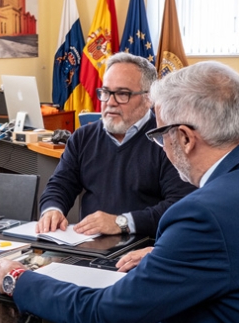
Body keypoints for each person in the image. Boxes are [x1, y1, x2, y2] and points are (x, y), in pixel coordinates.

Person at [0, 61, 239, 323]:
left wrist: (19, 279)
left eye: (160, 136)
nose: (160, 145)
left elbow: (104, 316)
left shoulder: (205, 214)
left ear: (186, 138)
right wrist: (169, 257)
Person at [37, 52, 195, 237]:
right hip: (88, 246)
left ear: (148, 98)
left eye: (122, 94)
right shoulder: (83, 137)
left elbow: (179, 204)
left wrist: (122, 223)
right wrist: (52, 209)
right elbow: (60, 185)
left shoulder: (167, 139)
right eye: (105, 92)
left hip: (145, 249)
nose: (110, 102)